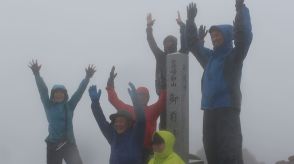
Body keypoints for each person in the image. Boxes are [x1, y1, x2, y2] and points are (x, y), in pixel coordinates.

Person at [185, 0, 253, 163]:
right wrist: (190, 22)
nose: (214, 38)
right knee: (211, 150)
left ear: (227, 36)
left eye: (217, 35)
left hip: (227, 109)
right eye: (212, 35)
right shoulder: (209, 57)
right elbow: (194, 45)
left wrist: (240, 9)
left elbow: (244, 38)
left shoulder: (233, 56)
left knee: (230, 152)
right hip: (209, 109)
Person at [29, 60, 95, 164]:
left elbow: (79, 92)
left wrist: (87, 78)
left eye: (61, 93)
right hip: (53, 145)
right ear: (53, 95)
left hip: (68, 143)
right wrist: (37, 74)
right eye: (56, 93)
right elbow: (43, 90)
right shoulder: (48, 105)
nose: (59, 95)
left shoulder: (69, 106)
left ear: (65, 95)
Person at [106, 66, 166, 163]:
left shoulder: (153, 110)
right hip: (131, 149)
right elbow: (113, 100)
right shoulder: (128, 110)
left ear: (148, 98)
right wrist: (110, 84)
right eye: (139, 95)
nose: (141, 97)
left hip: (148, 151)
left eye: (144, 95)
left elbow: (163, 101)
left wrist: (164, 87)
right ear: (135, 96)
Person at [146, 13, 187, 130]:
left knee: (178, 123)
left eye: (171, 42)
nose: (168, 44)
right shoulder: (160, 56)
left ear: (175, 44)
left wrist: (182, 26)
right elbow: (151, 42)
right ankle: (162, 146)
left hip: (178, 96)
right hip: (163, 94)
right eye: (166, 43)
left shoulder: (180, 56)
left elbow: (185, 44)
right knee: (164, 123)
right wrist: (149, 27)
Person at [89, 82, 145, 164]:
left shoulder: (135, 135)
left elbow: (141, 120)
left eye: (121, 121)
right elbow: (101, 120)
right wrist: (95, 103)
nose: (118, 124)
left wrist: (136, 101)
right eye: (116, 122)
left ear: (129, 123)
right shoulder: (112, 135)